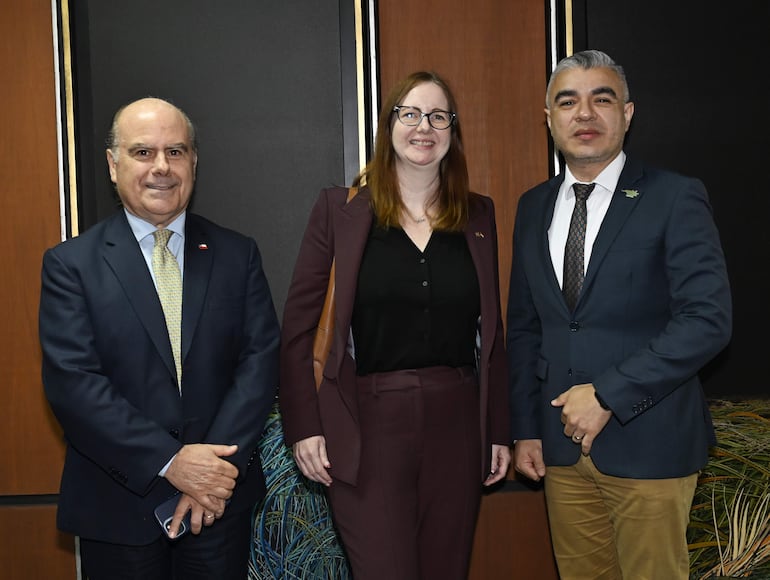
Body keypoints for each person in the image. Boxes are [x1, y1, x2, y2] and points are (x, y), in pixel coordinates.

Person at [506, 49, 732, 580]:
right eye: (568, 102)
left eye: (601, 99)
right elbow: (525, 327)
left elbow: (707, 320)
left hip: (651, 444)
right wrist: (525, 428)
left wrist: (608, 394)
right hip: (559, 449)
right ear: (549, 118)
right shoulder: (532, 206)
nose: (584, 114)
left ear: (627, 114)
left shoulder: (674, 196)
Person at [279, 71, 510, 580]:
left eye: (438, 116)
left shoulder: (478, 215)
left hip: (458, 424)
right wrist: (305, 426)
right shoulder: (340, 211)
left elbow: (492, 333)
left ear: (452, 131)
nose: (423, 127)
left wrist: (498, 429)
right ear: (389, 127)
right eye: (410, 114)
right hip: (366, 423)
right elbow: (298, 330)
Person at [39, 97, 280, 580]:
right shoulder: (71, 266)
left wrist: (209, 472)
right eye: (143, 152)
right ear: (113, 165)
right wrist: (170, 462)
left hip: (217, 507)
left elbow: (259, 364)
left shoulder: (237, 255)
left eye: (175, 151)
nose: (162, 167)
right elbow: (75, 385)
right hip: (118, 509)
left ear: (194, 161)